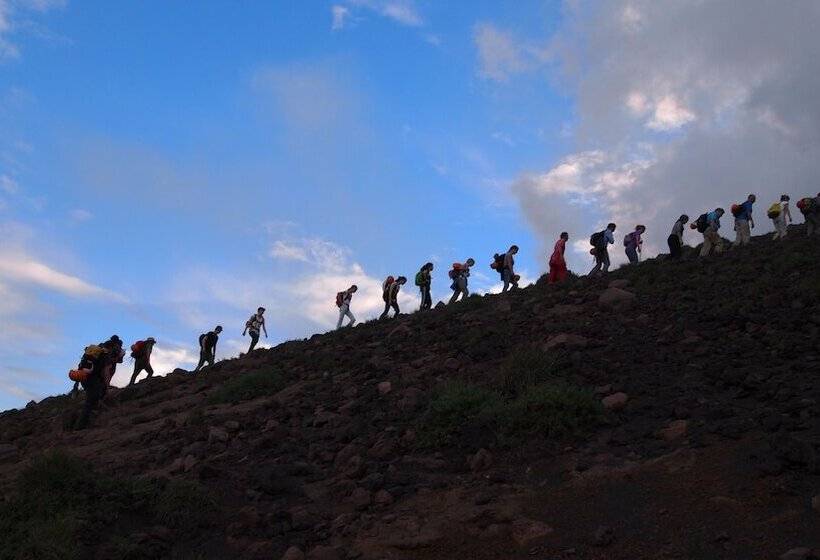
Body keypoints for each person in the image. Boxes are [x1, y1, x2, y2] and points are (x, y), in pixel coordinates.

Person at [74, 343, 111, 429]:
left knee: (92, 399)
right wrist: (107, 385)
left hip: (83, 377)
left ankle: (88, 420)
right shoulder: (103, 356)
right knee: (89, 402)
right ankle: (80, 425)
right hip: (93, 379)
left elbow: (81, 366)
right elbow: (104, 371)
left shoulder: (89, 354)